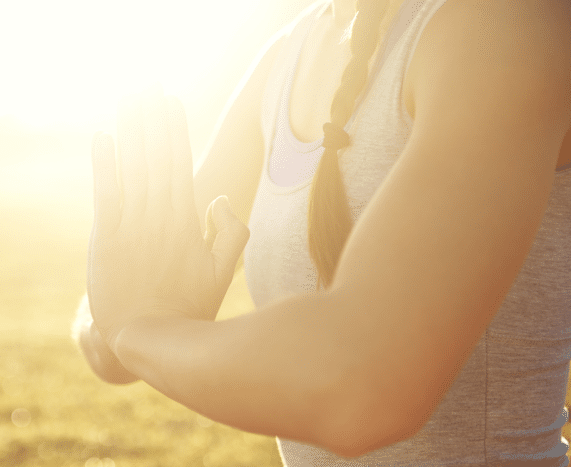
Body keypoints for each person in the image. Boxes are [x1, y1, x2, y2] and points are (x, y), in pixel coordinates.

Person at [73, 0, 571, 464]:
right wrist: (127, 321)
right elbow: (106, 324)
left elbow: (364, 385)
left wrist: (138, 328)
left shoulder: (506, 26)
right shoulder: (287, 55)